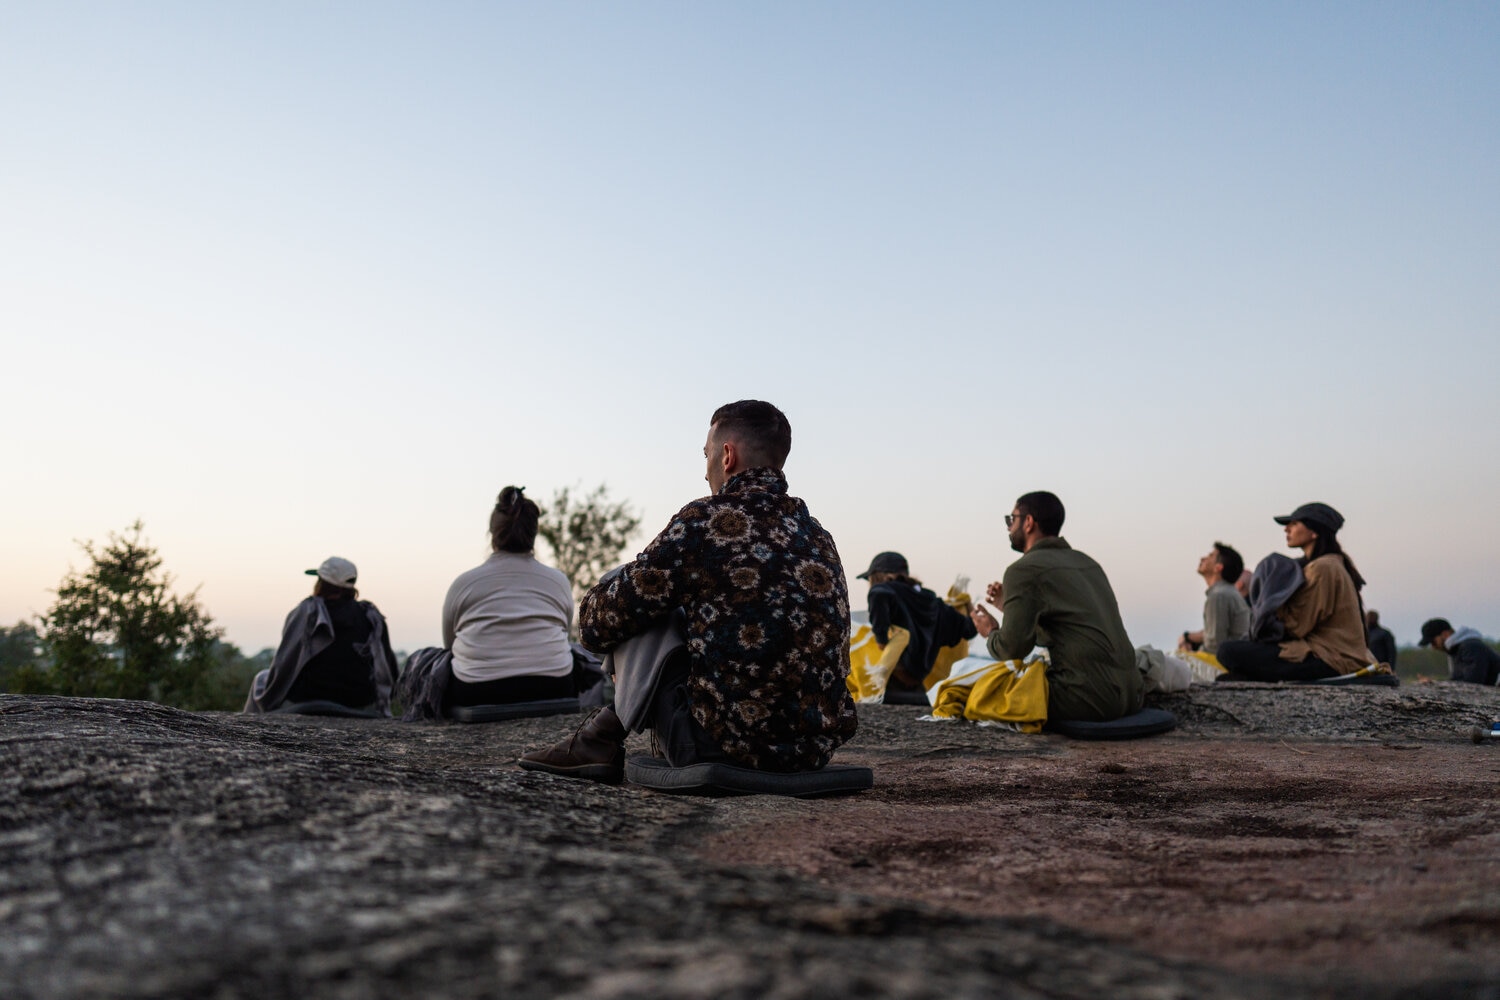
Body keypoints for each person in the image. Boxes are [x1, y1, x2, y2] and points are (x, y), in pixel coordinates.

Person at [520, 399, 858, 782]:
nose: (706, 471)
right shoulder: (818, 535)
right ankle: (600, 733)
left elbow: (598, 625)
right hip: (811, 752)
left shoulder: (706, 522)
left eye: (707, 455)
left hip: (714, 745)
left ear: (727, 455)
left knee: (631, 588)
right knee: (673, 592)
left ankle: (600, 736)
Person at [965, 491, 1143, 723]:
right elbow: (1069, 629)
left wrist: (990, 631)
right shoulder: (1089, 563)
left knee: (969, 689)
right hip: (1133, 694)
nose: (1009, 527)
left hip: (1085, 699)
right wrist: (1008, 608)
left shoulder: (1023, 570)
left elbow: (1012, 648)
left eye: (1012, 519)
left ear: (1028, 522)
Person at [439, 486, 579, 710]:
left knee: (429, 660)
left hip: (475, 690)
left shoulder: (464, 583)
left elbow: (450, 647)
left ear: (492, 534)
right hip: (554, 686)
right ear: (533, 534)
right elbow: (564, 630)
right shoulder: (558, 581)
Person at [1216, 502, 1376, 682]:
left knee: (1228, 652)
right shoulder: (1331, 564)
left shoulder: (1323, 568)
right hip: (1329, 654)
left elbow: (1297, 626)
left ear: (1314, 532)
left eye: (1294, 524)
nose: (1287, 529)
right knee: (1232, 674)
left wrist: (1268, 616)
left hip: (1331, 659)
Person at [245, 557, 399, 715]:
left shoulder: (307, 611)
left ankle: (249, 729)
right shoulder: (370, 616)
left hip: (306, 700)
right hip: (359, 704)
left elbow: (284, 662)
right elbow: (388, 667)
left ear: (321, 583)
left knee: (262, 678)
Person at [858, 551, 977, 702]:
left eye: (870, 579)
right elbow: (970, 629)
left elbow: (878, 593)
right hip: (919, 690)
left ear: (880, 576)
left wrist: (881, 637)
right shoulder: (935, 604)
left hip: (888, 686)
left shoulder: (883, 590)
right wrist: (967, 603)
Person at [1178, 542, 1250, 656]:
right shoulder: (1229, 593)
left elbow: (1214, 646)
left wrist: (1189, 655)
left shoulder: (1218, 596)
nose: (1203, 558)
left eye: (1210, 556)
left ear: (1218, 567)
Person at [1418, 618, 1500, 685]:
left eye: (1433, 642)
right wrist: (1434, 683)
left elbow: (1472, 683)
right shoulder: (1457, 650)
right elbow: (1458, 681)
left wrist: (1436, 684)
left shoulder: (1471, 647)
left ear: (1445, 634)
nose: (1433, 647)